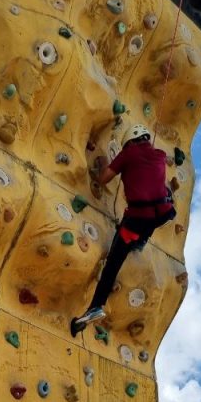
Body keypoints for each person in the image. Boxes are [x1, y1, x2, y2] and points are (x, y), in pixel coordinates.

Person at [70, 123, 176, 337]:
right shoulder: (159, 155)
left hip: (136, 219)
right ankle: (140, 241)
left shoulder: (128, 153)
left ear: (129, 141)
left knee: (113, 264)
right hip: (162, 214)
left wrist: (103, 165)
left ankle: (96, 306)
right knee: (146, 222)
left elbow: (104, 178)